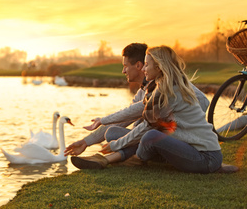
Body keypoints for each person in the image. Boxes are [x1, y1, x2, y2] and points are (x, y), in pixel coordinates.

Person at [70, 46, 239, 173]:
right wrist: (103, 122)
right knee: (116, 132)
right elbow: (137, 110)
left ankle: (115, 159)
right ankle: (113, 158)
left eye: (146, 65)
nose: (144, 69)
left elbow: (148, 126)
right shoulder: (158, 88)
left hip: (205, 156)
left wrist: (117, 145)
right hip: (181, 144)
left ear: (158, 67)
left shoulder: (172, 90)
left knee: (149, 134)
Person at [64, 43, 149, 157]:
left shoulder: (157, 90)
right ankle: (117, 156)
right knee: (113, 132)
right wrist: (86, 142)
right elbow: (124, 119)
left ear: (138, 65)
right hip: (147, 138)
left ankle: (115, 157)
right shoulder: (142, 91)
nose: (123, 71)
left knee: (113, 133)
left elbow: (132, 111)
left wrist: (102, 120)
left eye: (125, 66)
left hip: (157, 140)